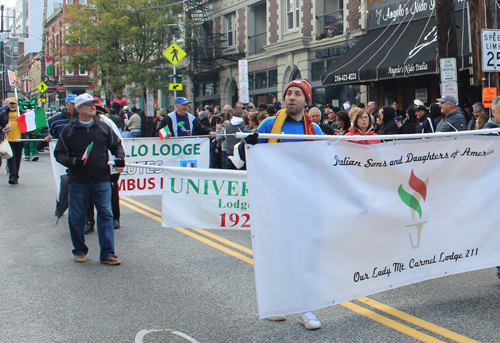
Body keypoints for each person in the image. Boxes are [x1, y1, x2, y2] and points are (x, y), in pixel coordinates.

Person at [243, 79, 323, 330]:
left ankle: (305, 308)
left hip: (304, 201)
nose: (292, 97)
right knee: (278, 253)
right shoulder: (269, 124)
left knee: (304, 254)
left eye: (298, 94)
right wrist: (250, 143)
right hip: (275, 200)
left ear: (306, 101)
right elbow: (250, 155)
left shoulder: (315, 130)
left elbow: (325, 162)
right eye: (289, 93)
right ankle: (276, 304)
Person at [54, 93, 125, 265]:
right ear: (78, 109)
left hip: (101, 178)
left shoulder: (103, 127)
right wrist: (72, 161)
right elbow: (59, 153)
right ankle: (79, 251)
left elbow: (116, 145)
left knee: (106, 215)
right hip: (78, 180)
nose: (93, 106)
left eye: (93, 103)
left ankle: (108, 253)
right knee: (77, 217)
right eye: (88, 105)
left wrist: (120, 158)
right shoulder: (69, 130)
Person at [85, 106, 125, 233]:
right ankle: (89, 221)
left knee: (111, 191)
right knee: (88, 193)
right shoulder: (83, 123)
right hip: (89, 165)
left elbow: (117, 143)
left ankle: (114, 218)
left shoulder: (106, 125)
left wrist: (117, 162)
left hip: (108, 163)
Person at [0, 97, 26, 185]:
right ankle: (12, 176)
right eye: (10, 104)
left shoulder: (22, 113)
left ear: (17, 105)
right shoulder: (4, 114)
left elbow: (27, 123)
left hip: (19, 139)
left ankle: (15, 175)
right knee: (11, 158)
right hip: (9, 139)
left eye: (13, 104)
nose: (12, 105)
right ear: (8, 105)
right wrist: (2, 129)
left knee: (17, 158)